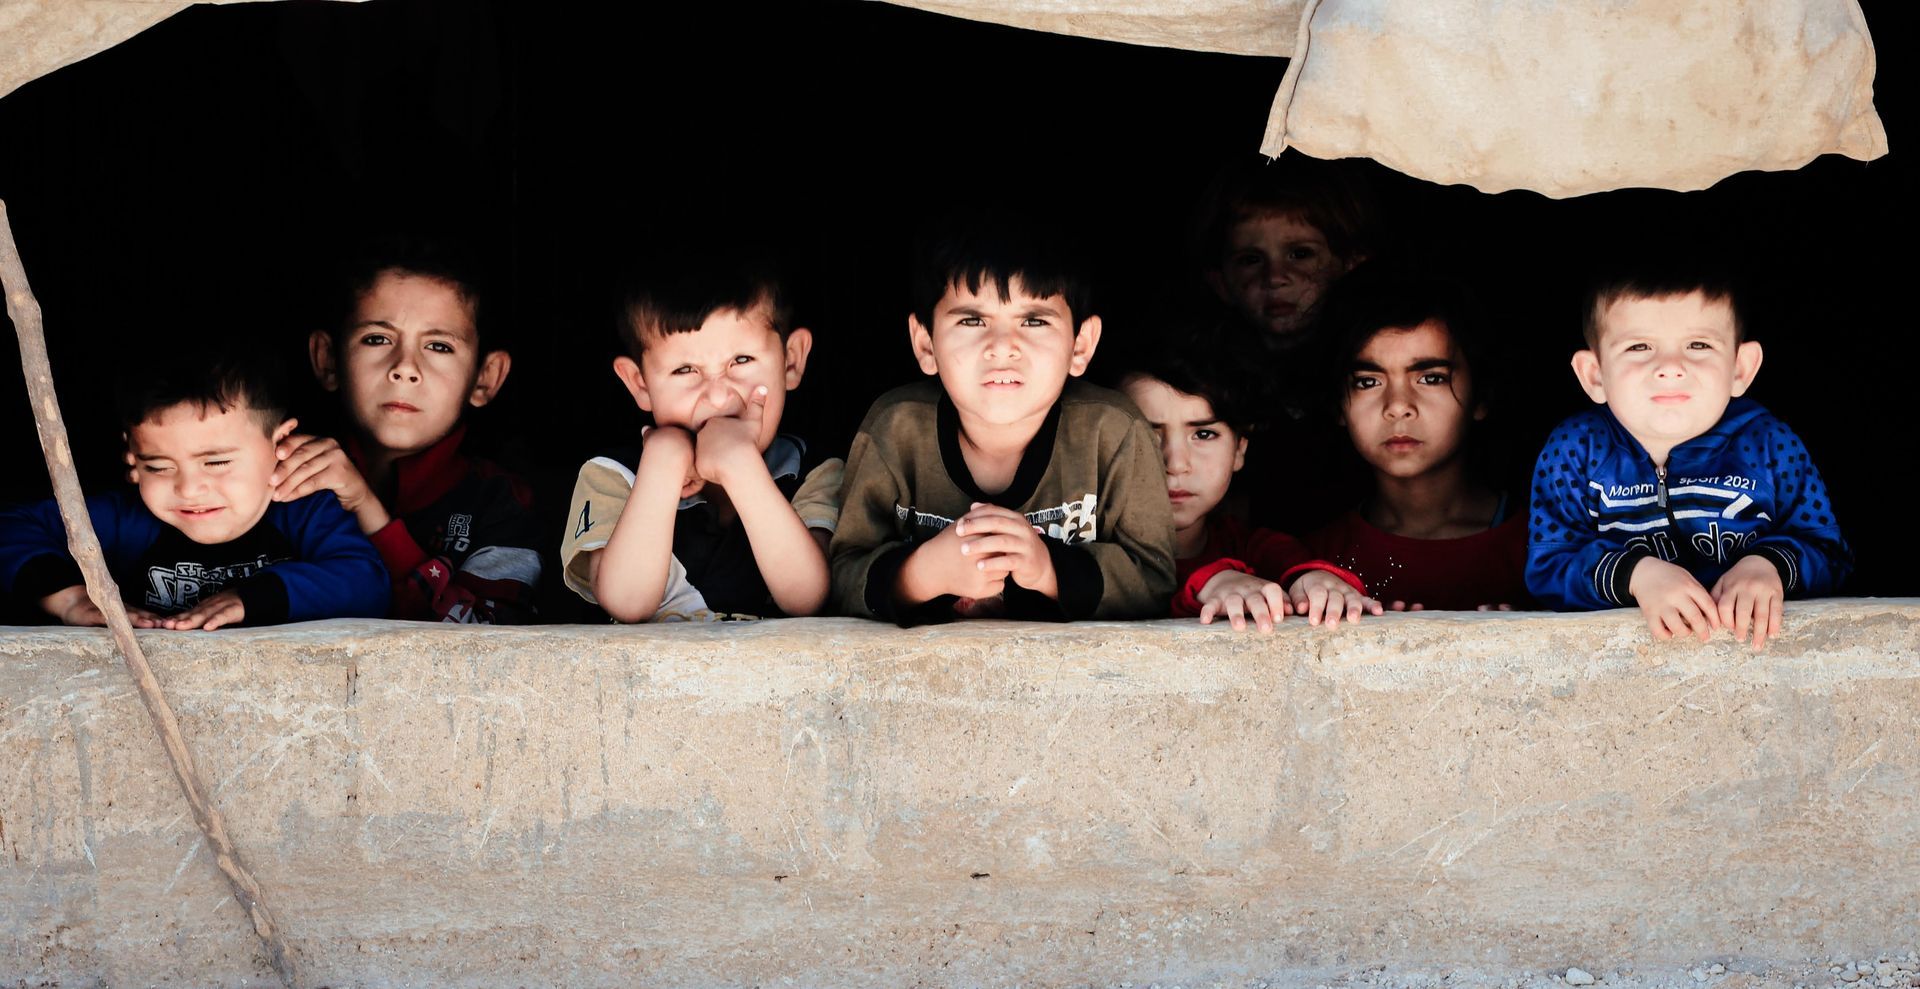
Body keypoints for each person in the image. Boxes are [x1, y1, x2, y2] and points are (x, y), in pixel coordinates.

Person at [832, 210, 1175, 625]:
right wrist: (920, 574)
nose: (1002, 347)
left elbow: (1155, 580)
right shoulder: (895, 430)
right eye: (972, 320)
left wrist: (1049, 569)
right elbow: (841, 574)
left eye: (1033, 320)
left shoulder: (1113, 433)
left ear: (1081, 346)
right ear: (925, 344)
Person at [1527, 265, 1850, 649]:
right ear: (1594, 375)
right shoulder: (1575, 450)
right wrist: (1637, 575)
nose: (1669, 368)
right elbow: (1548, 566)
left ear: (1740, 368)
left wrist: (1768, 567)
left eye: (1698, 345)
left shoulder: (1769, 445)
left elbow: (1830, 554)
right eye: (1639, 347)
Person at [0, 353, 388, 629]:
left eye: (216, 462)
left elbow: (367, 581)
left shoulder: (304, 509)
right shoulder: (126, 517)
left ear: (280, 444)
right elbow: (12, 526)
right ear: (133, 458)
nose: (189, 489)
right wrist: (70, 598)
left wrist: (251, 599)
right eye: (158, 466)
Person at [560, 249, 839, 622]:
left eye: (741, 361)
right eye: (685, 370)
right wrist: (663, 462)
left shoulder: (813, 471)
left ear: (791, 360)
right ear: (639, 383)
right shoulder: (613, 476)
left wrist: (741, 467)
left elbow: (806, 597)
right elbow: (627, 602)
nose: (719, 396)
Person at [275, 240, 541, 623]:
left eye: (438, 346)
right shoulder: (285, 480)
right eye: (377, 339)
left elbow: (486, 646)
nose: (404, 367)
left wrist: (367, 510)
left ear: (486, 377)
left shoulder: (500, 505)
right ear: (328, 359)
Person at [1109, 319, 1378, 632]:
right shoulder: (1086, 545)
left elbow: (1299, 571)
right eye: (1147, 437)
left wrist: (1317, 586)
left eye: (1205, 434)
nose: (1176, 463)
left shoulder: (1256, 549)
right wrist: (1210, 582)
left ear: (1239, 449)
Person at [1304, 267, 1533, 611]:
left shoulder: (1544, 549)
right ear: (1339, 404)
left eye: (1430, 378)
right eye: (1368, 381)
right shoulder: (1315, 565)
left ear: (1481, 395)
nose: (1398, 407)